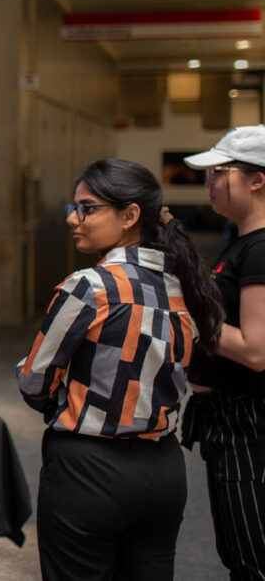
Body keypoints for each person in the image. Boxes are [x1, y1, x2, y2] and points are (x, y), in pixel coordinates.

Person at [16, 158, 223, 581]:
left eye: (87, 208)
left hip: (89, 471)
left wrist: (66, 399)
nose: (75, 218)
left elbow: (34, 380)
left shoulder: (89, 287)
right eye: (74, 207)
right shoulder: (189, 285)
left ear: (130, 215)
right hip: (165, 472)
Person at [181, 124, 265, 581]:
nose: (210, 183)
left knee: (253, 557)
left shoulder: (261, 249)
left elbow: (255, 350)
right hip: (228, 419)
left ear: (258, 180)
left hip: (248, 422)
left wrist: (189, 315)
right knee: (239, 550)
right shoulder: (242, 244)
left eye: (219, 173)